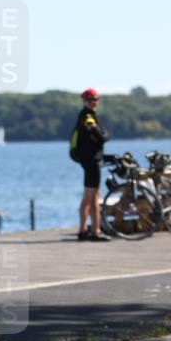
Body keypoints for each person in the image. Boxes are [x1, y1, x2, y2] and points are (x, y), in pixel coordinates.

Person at [71, 88, 111, 241]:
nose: (93, 102)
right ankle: (95, 231)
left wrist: (103, 135)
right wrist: (107, 134)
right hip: (91, 160)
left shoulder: (86, 115)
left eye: (95, 99)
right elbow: (100, 136)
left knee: (87, 195)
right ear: (84, 101)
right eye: (89, 100)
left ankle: (82, 230)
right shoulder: (88, 117)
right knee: (94, 196)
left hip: (87, 159)